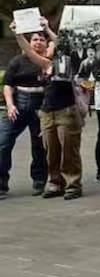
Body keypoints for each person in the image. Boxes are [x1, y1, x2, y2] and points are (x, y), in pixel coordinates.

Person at [12, 19, 83, 200]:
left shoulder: (69, 62)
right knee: (51, 150)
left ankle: (73, 184)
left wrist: (48, 29)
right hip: (47, 112)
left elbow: (62, 43)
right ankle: (55, 182)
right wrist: (17, 34)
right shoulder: (44, 64)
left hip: (66, 110)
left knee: (69, 148)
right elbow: (28, 51)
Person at [0, 26, 49, 198]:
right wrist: (10, 105)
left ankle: (39, 180)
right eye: (35, 39)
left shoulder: (47, 62)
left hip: (40, 107)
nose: (38, 43)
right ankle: (1, 183)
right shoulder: (17, 61)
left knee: (40, 145)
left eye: (42, 40)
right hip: (18, 106)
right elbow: (7, 85)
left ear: (46, 44)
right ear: (29, 43)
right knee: (3, 141)